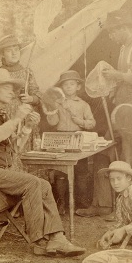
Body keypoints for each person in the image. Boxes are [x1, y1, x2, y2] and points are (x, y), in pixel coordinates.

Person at [0, 68, 86, 256]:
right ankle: (37, 241)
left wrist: (27, 127)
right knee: (31, 182)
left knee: (44, 185)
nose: (12, 92)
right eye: (7, 88)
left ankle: (57, 238)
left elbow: (14, 149)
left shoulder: (1, 113)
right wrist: (17, 118)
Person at [76, 9, 132, 218]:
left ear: (124, 28)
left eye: (113, 32)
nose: (111, 37)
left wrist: (118, 76)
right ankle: (103, 204)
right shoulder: (123, 48)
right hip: (120, 110)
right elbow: (124, 80)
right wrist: (113, 90)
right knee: (103, 151)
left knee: (129, 158)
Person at [43, 70, 96, 214]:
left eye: (72, 84)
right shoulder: (57, 103)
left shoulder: (83, 105)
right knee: (61, 172)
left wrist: (80, 121)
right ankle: (62, 203)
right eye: (65, 85)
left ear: (78, 86)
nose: (69, 87)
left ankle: (81, 204)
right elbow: (53, 123)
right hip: (61, 138)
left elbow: (92, 123)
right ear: (62, 87)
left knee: (81, 172)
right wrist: (51, 112)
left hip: (78, 138)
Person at [0, 34, 42, 155]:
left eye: (16, 49)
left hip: (24, 117)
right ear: (2, 53)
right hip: (3, 116)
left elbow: (37, 94)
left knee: (24, 150)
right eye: (9, 50)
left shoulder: (27, 72)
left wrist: (31, 98)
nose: (14, 53)